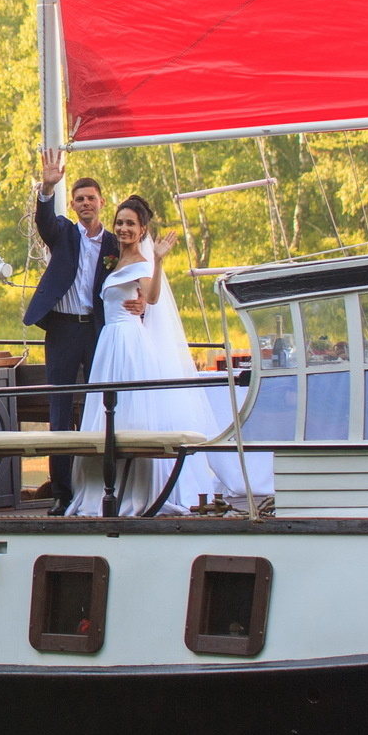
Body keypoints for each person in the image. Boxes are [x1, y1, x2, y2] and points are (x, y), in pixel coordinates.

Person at [65, 195, 225, 516]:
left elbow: (150, 298)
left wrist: (159, 259)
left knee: (126, 410)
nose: (123, 228)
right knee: (105, 410)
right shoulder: (114, 260)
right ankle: (101, 486)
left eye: (130, 224)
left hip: (127, 342)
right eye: (120, 222)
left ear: (142, 230)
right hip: (109, 341)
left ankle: (133, 489)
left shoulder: (141, 262)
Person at [23, 149, 124, 512]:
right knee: (60, 409)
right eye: (79, 199)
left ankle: (104, 486)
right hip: (63, 332)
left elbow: (133, 276)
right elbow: (44, 222)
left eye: (90, 198)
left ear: (101, 203)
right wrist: (47, 188)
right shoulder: (63, 232)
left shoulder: (115, 243)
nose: (84, 203)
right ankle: (63, 492)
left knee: (105, 403)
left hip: (98, 331)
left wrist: (141, 302)